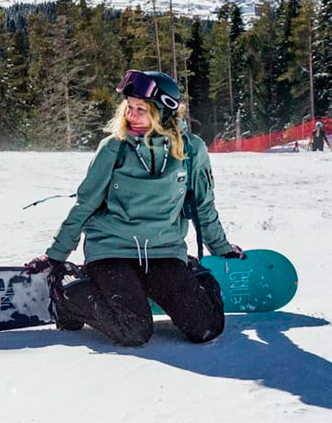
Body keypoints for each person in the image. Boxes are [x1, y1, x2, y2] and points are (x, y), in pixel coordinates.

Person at [29, 70, 243, 348]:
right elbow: (85, 204)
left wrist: (221, 248)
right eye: (129, 107)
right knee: (134, 331)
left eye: (141, 109)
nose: (132, 114)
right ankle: (66, 298)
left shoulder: (191, 150)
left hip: (164, 251)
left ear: (164, 112)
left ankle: (195, 275)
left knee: (206, 327)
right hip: (112, 250)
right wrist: (55, 256)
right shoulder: (114, 148)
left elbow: (203, 206)